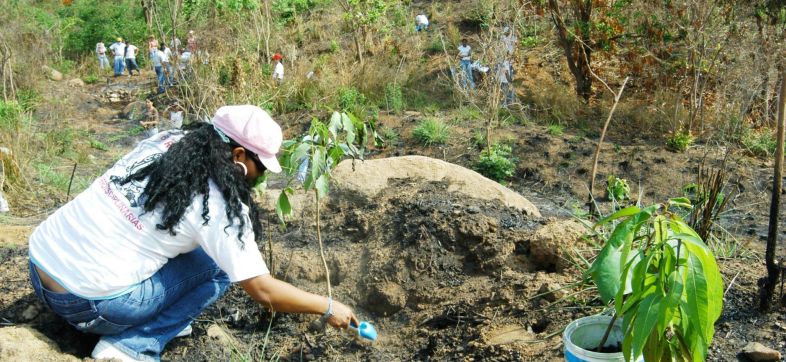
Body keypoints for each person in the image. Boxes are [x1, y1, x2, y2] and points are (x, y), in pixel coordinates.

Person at [28, 105, 359, 362]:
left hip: (39, 265)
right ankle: (132, 346)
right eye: (260, 168)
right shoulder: (216, 201)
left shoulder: (166, 142)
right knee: (220, 267)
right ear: (239, 156)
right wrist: (328, 307)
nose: (258, 179)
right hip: (88, 304)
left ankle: (158, 315)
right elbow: (264, 291)